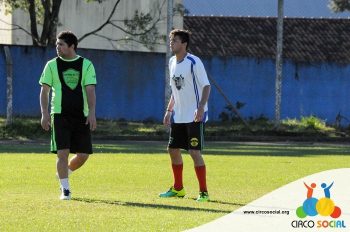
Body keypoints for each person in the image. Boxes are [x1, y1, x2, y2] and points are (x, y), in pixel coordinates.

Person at [39, 31, 97, 200]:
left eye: (61, 44)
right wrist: (44, 113)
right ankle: (65, 189)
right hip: (59, 115)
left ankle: (65, 172)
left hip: (81, 116)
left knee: (83, 155)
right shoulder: (51, 65)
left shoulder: (86, 65)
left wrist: (92, 112)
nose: (57, 47)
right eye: (57, 44)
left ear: (72, 46)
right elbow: (44, 91)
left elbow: (90, 90)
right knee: (62, 153)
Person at [159, 29, 211, 202]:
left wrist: (201, 107)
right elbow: (175, 89)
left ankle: (203, 192)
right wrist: (169, 110)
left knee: (194, 152)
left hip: (194, 115)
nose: (171, 43)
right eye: (171, 40)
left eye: (174, 41)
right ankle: (178, 188)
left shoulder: (194, 62)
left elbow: (206, 86)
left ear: (184, 44)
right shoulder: (172, 62)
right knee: (172, 149)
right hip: (179, 116)